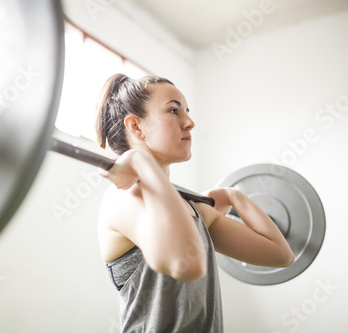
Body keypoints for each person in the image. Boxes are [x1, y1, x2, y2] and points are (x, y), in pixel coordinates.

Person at [95, 73, 295, 332]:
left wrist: (235, 196)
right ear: (136, 127)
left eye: (186, 111)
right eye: (173, 111)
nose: (189, 122)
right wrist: (140, 162)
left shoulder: (192, 209)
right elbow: (185, 264)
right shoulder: (124, 198)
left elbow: (281, 255)